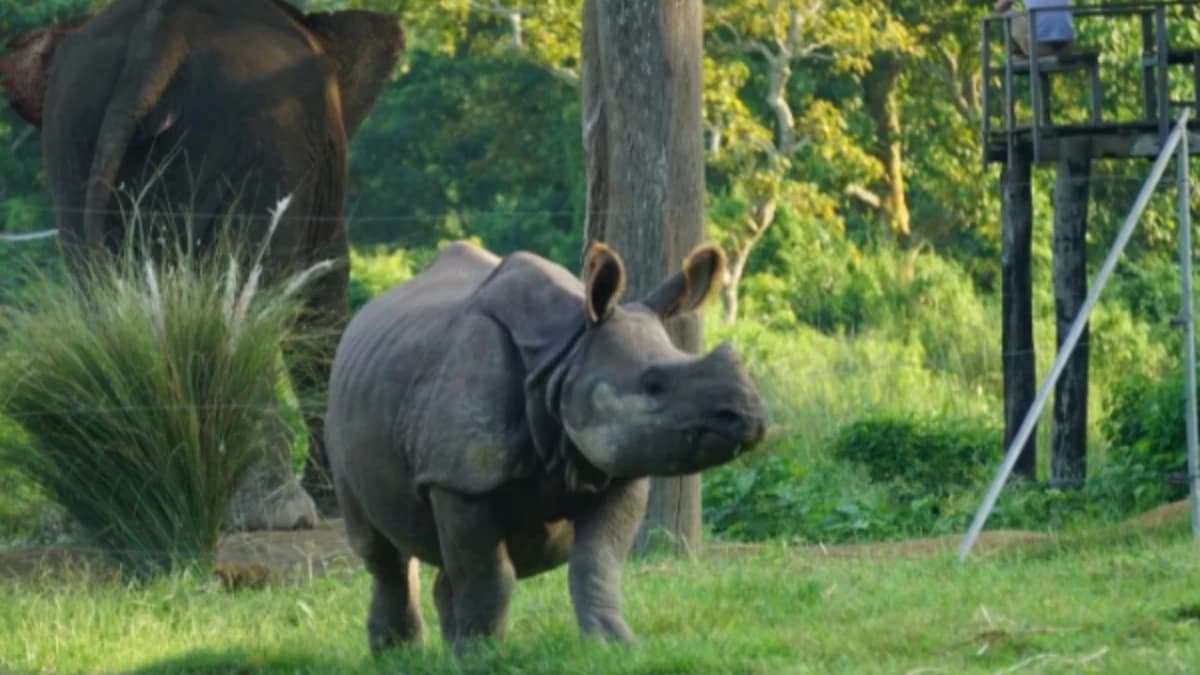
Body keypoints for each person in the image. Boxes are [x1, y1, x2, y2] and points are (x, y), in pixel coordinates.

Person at [994, 0, 1075, 58]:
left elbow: (999, 8)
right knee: (1032, 17)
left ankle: (1017, 57)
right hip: (1067, 48)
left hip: (1039, 48)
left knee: (1008, 12)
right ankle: (1020, 55)